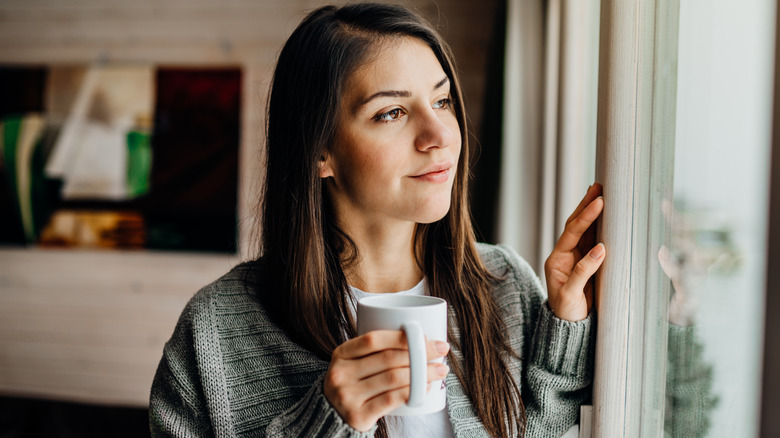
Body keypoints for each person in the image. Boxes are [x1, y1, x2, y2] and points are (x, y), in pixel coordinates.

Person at [149, 3, 606, 437]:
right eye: (392, 112)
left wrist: (564, 321)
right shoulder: (215, 330)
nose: (440, 135)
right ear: (320, 152)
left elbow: (538, 428)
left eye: (443, 101)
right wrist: (328, 419)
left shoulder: (504, 284)